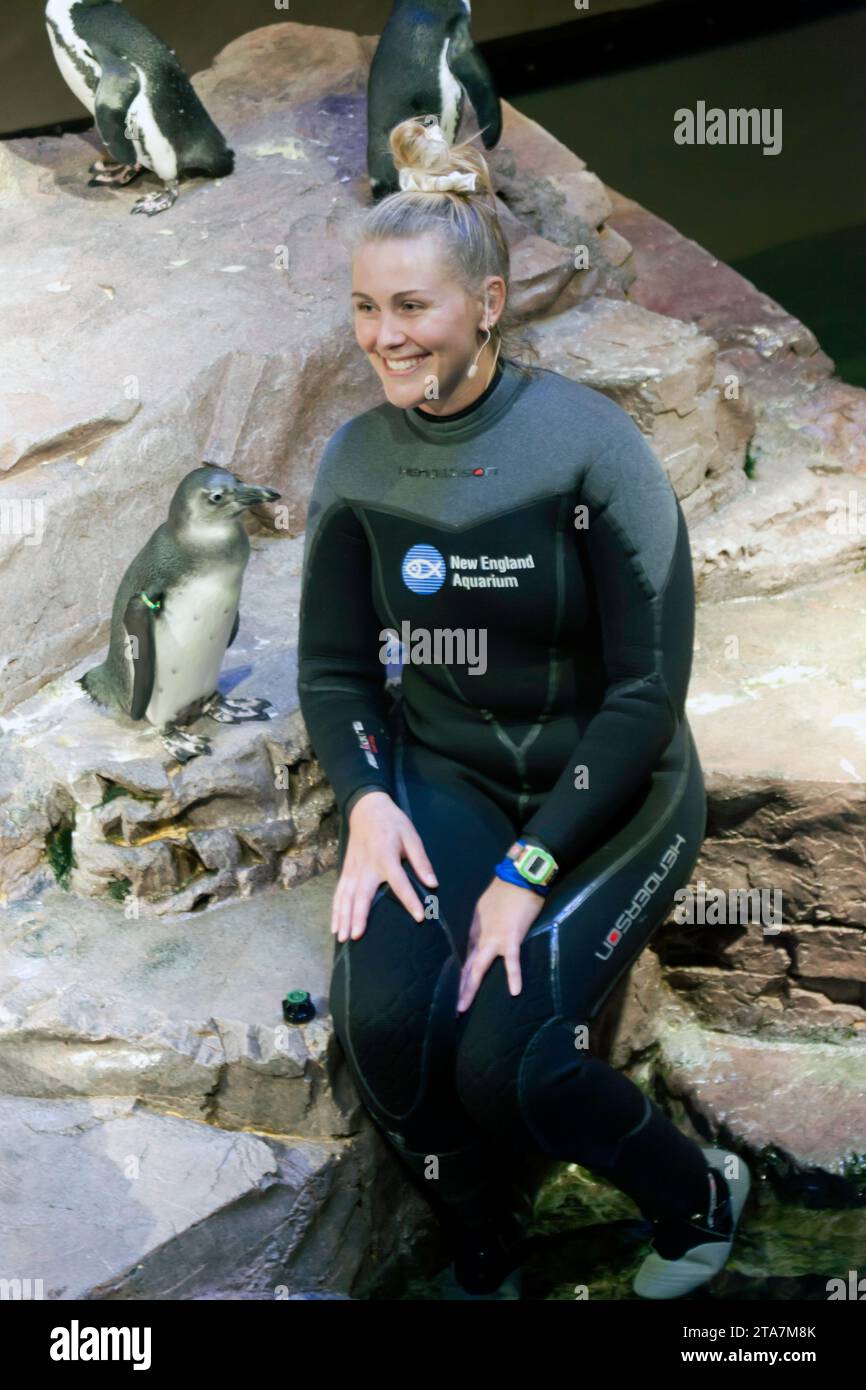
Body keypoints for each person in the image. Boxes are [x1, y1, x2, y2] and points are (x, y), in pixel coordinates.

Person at [296, 115, 750, 1300]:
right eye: (365, 308)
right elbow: (336, 672)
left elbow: (649, 690)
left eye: (412, 307)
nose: (384, 337)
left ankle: (694, 1189)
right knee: (387, 1026)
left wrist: (527, 869)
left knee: (512, 1059)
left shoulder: (590, 451)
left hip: (612, 789)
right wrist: (367, 803)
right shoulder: (356, 464)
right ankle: (485, 1243)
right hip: (448, 779)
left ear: (487, 302)